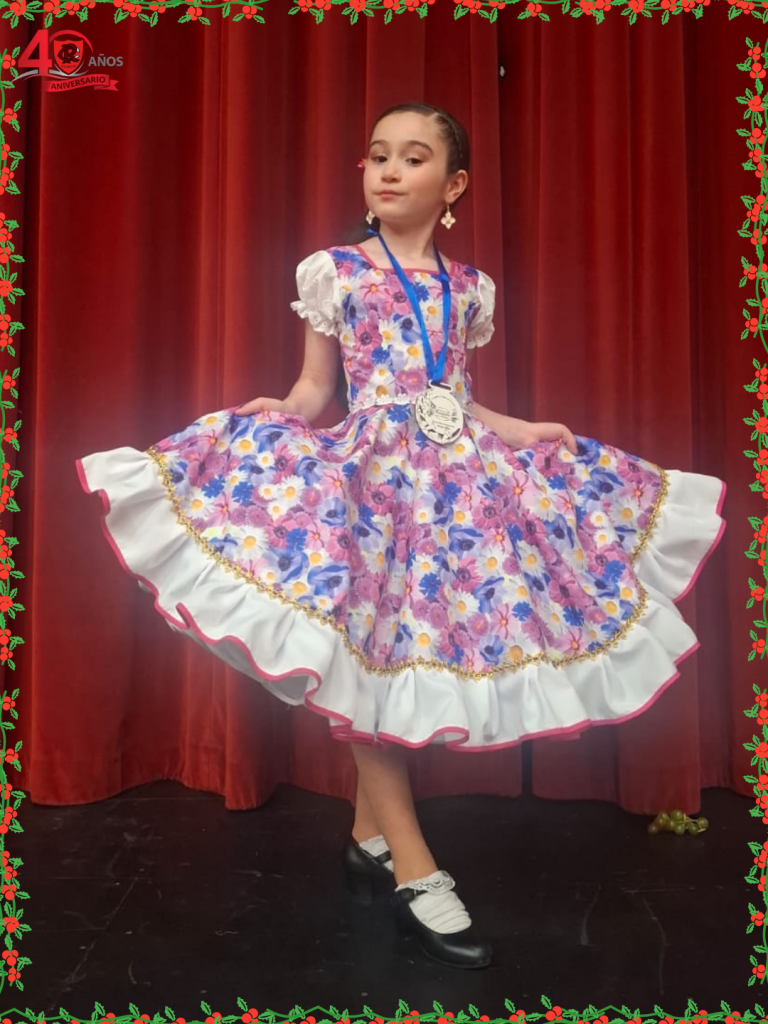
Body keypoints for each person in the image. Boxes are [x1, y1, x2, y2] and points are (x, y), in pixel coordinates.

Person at [76, 101, 727, 973]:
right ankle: (417, 870)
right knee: (368, 654)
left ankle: (366, 838)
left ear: (453, 186)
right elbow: (316, 388)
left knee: (413, 648)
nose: (388, 170)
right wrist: (284, 412)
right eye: (378, 154)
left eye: (413, 158)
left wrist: (520, 428)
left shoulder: (469, 289)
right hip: (373, 479)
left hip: (456, 482)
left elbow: (456, 395)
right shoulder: (336, 272)